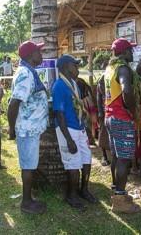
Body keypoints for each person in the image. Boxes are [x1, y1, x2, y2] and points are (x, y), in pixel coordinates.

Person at [7, 41, 49, 215]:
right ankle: (26, 202)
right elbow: (14, 103)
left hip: (30, 127)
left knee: (29, 165)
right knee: (28, 166)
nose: (41, 55)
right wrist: (11, 129)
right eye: (39, 52)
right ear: (31, 55)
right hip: (27, 129)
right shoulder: (25, 74)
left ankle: (28, 198)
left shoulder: (28, 71)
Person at [52, 55, 97, 210]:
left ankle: (83, 189)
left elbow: (77, 107)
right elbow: (59, 114)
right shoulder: (59, 86)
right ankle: (71, 196)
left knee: (86, 158)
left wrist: (85, 127)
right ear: (65, 67)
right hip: (67, 129)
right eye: (75, 65)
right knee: (73, 163)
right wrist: (68, 139)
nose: (77, 68)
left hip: (78, 127)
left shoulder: (74, 84)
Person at [104, 38, 140, 213]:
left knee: (117, 157)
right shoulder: (123, 69)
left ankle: (116, 190)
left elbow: (100, 93)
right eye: (130, 50)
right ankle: (119, 200)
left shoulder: (109, 69)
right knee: (124, 158)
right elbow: (126, 91)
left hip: (110, 116)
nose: (132, 53)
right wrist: (133, 111)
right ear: (124, 52)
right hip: (121, 117)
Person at [96, 73, 111, 167]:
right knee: (103, 134)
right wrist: (100, 112)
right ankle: (104, 156)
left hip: (112, 111)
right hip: (104, 111)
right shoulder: (102, 79)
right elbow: (98, 98)